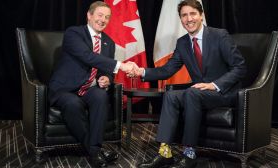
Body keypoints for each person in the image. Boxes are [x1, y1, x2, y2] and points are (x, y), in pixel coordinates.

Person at [133, 0, 247, 167]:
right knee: (171, 95)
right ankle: (165, 153)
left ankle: (189, 154)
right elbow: (167, 70)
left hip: (224, 92)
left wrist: (214, 84)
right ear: (181, 20)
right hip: (199, 93)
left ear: (201, 16)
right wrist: (142, 72)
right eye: (184, 15)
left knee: (192, 92)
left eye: (193, 14)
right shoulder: (183, 42)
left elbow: (240, 67)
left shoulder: (219, 35)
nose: (189, 19)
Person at [48, 1, 137, 168]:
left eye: (107, 17)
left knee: (101, 95)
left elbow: (105, 69)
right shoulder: (74, 33)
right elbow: (88, 56)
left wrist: (107, 78)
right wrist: (122, 66)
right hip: (65, 88)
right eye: (100, 15)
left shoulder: (109, 43)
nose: (103, 20)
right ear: (89, 16)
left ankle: (94, 149)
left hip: (89, 88)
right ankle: (95, 151)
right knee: (72, 103)